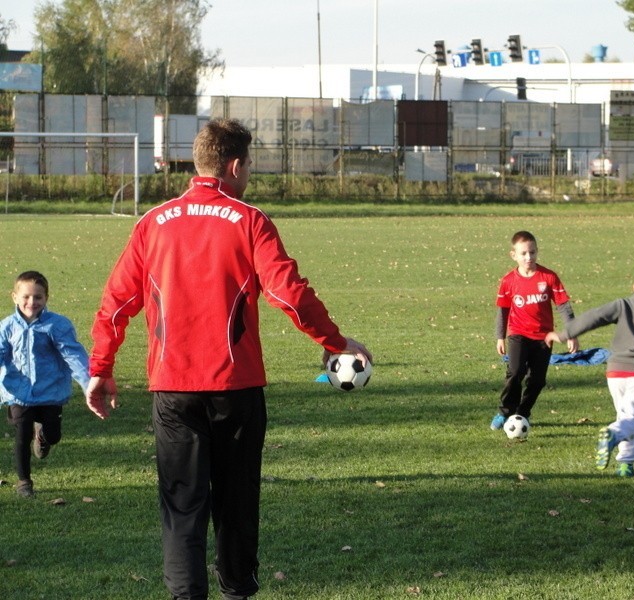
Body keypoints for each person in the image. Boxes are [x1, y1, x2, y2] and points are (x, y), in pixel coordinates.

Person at [85, 118, 372, 600]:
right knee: (236, 502)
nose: (250, 176)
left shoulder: (151, 223)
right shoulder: (250, 220)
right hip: (234, 390)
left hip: (172, 390)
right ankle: (237, 591)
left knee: (183, 505)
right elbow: (290, 294)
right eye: (249, 167)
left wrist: (101, 369)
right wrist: (333, 340)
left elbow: (115, 304)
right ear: (235, 165)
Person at [545, 267, 634, 477]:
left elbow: (594, 317)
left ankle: (626, 463)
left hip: (615, 372)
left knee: (627, 415)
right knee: (632, 417)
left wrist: (565, 333)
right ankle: (613, 435)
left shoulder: (624, 304)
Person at [1, 270, 90, 498]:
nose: (32, 302)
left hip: (50, 392)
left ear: (46, 298)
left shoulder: (56, 325)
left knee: (54, 435)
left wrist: (88, 383)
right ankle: (24, 482)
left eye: (38, 297)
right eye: (26, 297)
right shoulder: (7, 327)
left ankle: (42, 435)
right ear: (15, 297)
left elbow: (72, 355)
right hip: (19, 393)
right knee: (21, 435)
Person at [492, 230, 577, 430]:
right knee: (515, 372)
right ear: (514, 255)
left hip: (544, 338)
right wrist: (500, 337)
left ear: (537, 252)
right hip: (517, 333)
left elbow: (563, 305)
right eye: (523, 253)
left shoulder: (548, 277)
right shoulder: (508, 281)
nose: (528, 257)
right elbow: (503, 310)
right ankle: (504, 412)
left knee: (537, 381)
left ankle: (522, 414)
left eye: (532, 252)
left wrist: (571, 333)